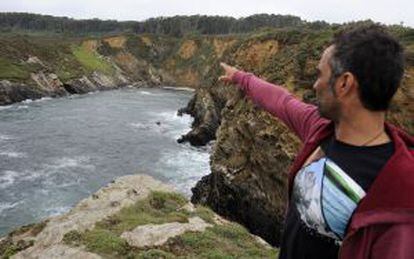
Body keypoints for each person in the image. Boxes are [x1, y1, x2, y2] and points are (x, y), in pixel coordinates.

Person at [219, 25, 414, 258]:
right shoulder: (322, 130)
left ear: (344, 83)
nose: (314, 84)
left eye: (320, 74)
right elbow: (282, 102)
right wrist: (241, 77)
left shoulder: (400, 190)